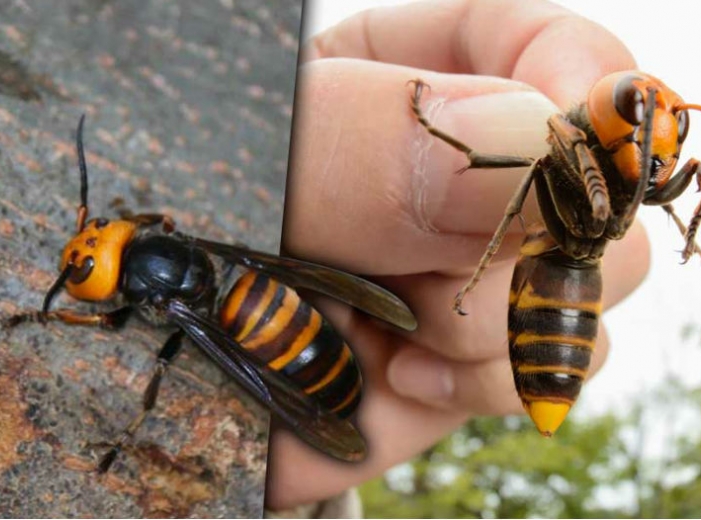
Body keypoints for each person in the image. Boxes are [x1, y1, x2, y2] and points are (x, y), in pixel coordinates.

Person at [266, 0, 650, 513]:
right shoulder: (564, 135)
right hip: (557, 281)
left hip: (566, 285)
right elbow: (487, 160)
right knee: (521, 172)